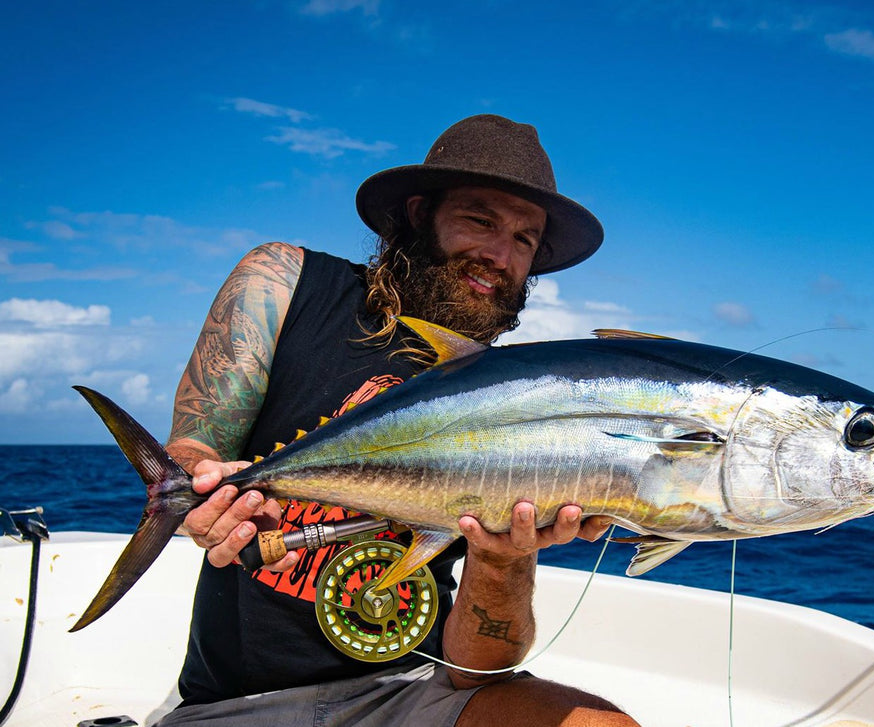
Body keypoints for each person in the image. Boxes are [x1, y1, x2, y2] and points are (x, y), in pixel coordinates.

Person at [157, 115, 641, 726]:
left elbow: (476, 673)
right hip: (237, 705)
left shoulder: (517, 397)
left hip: (411, 689)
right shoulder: (287, 281)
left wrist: (502, 559)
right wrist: (204, 493)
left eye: (524, 240)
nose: (499, 255)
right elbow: (194, 449)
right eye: (480, 220)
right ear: (419, 214)